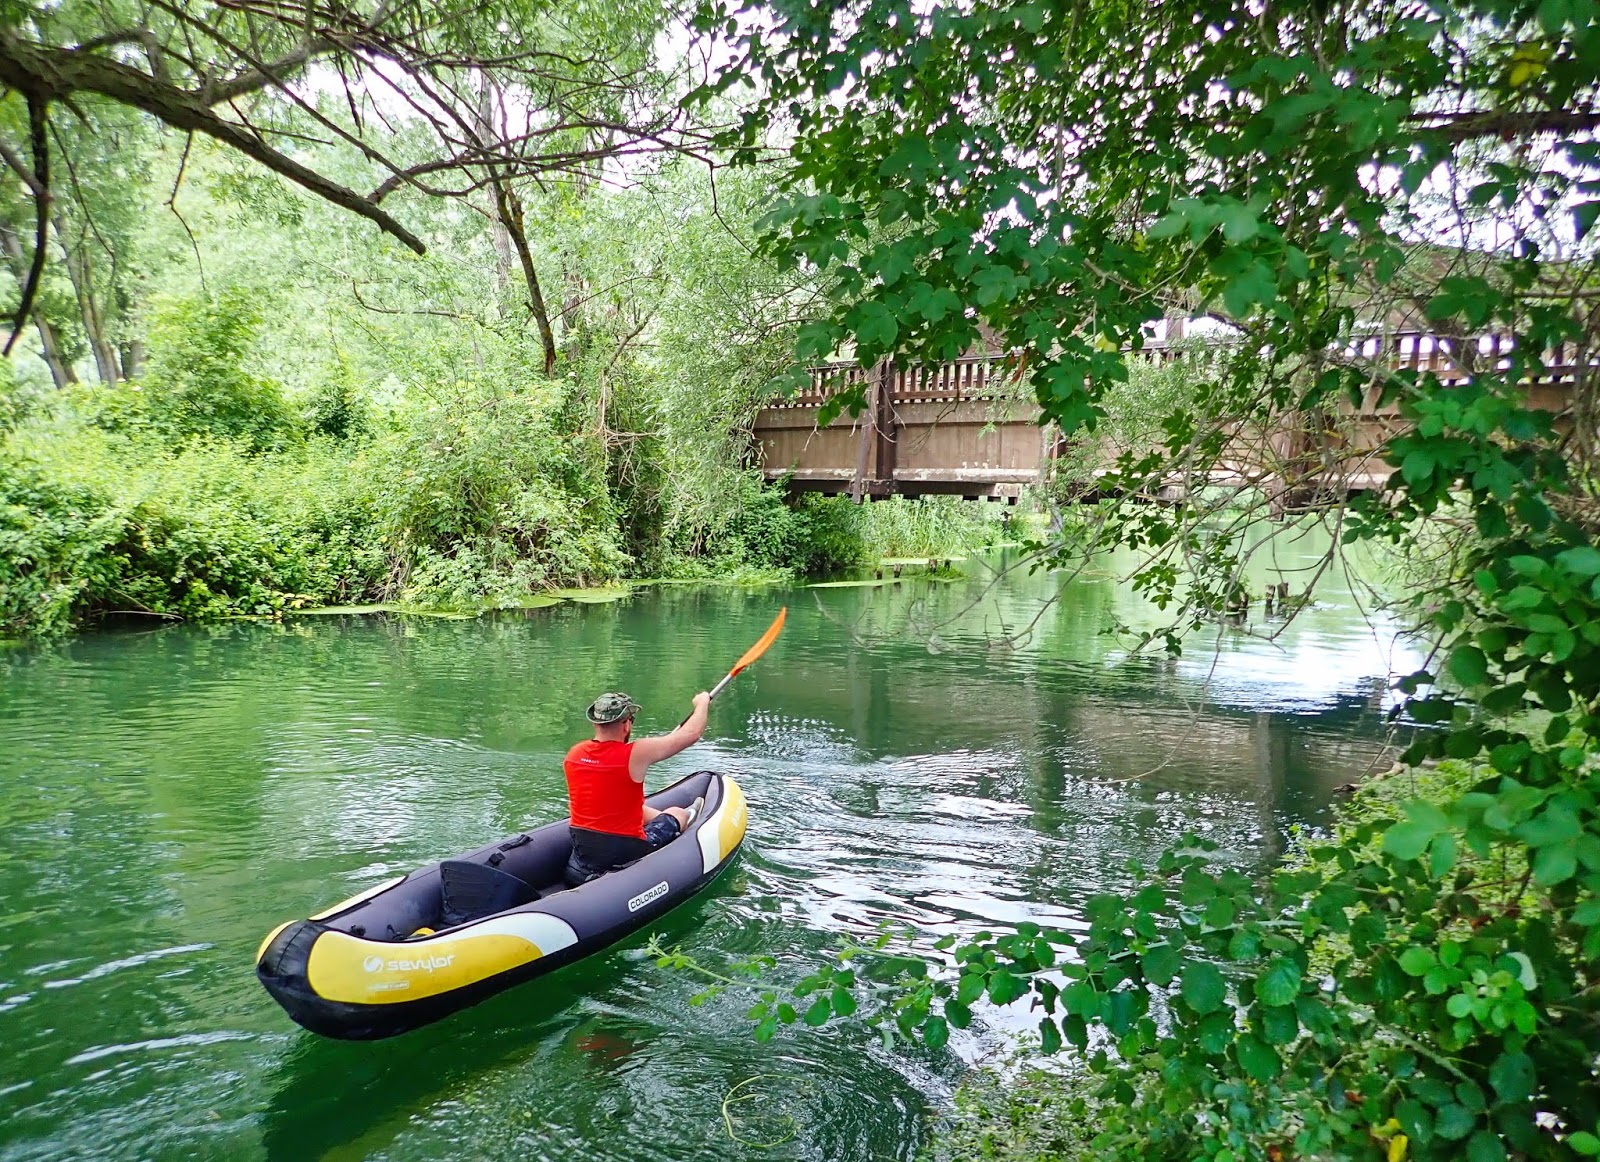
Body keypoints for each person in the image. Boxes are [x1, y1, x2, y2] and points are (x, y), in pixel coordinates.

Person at [564, 690, 709, 885]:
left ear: (595, 723)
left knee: (640, 810)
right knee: (677, 812)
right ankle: (684, 825)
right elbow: (691, 734)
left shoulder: (574, 753)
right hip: (625, 852)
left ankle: (661, 818)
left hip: (584, 854)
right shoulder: (637, 752)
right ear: (626, 724)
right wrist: (702, 703)